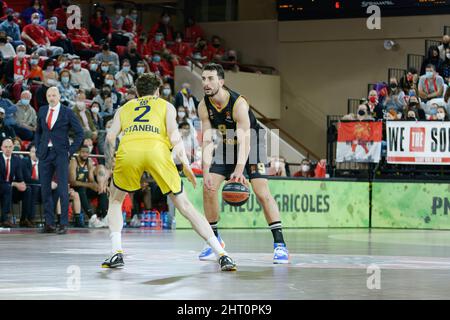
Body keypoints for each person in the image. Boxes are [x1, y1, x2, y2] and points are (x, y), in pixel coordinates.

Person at [100, 72, 236, 271]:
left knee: (115, 200)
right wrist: (186, 165)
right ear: (157, 91)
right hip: (157, 151)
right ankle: (222, 255)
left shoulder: (124, 108)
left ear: (137, 92)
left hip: (129, 150)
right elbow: (174, 138)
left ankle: (116, 252)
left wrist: (109, 167)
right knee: (185, 206)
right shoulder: (166, 106)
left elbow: (110, 138)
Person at [198, 63, 289, 264]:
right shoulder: (203, 105)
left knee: (261, 191)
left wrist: (239, 171)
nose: (206, 82)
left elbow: (246, 140)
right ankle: (215, 241)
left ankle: (280, 245)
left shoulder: (238, 103)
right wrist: (205, 172)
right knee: (209, 188)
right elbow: (206, 140)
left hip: (252, 143)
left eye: (210, 78)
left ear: (221, 82)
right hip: (226, 144)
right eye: (203, 78)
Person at [34, 87, 84, 234]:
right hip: (45, 153)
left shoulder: (67, 111)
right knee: (45, 189)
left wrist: (70, 151)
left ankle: (63, 223)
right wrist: (38, 148)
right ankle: (49, 223)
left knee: (62, 188)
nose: (51, 97)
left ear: (59, 96)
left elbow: (80, 133)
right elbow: (38, 131)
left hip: (61, 153)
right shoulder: (42, 110)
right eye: (49, 95)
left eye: (54, 95)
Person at [0, 138, 26, 228]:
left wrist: (22, 183)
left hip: (9, 188)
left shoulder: (16, 160)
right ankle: (5, 219)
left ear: (13, 148)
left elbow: (19, 176)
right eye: (5, 147)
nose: (8, 149)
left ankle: (26, 219)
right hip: (2, 186)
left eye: (10, 147)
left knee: (28, 190)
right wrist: (14, 184)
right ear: (1, 148)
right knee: (7, 187)